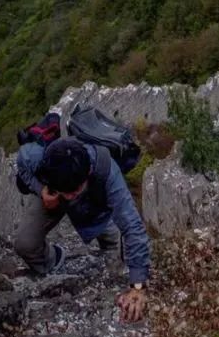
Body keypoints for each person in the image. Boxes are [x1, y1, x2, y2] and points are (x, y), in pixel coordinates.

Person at [14, 137, 150, 322]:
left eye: (75, 190)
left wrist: (138, 287)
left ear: (88, 172)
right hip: (53, 198)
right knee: (25, 244)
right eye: (68, 192)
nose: (71, 196)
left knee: (116, 250)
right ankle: (54, 258)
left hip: (94, 205)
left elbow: (132, 225)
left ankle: (110, 252)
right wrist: (41, 190)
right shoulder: (39, 158)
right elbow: (22, 160)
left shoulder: (106, 169)